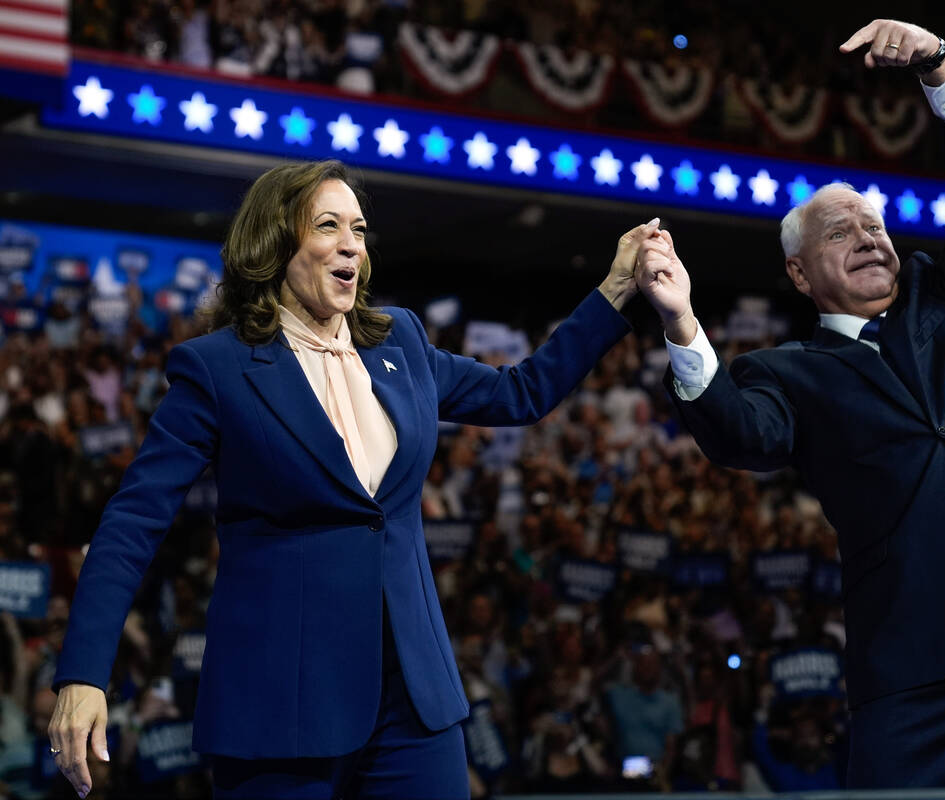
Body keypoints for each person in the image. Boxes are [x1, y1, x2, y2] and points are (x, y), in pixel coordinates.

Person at [47, 159, 661, 799]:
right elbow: (133, 522)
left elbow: (522, 393)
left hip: (414, 702)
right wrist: (85, 672)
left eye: (359, 229)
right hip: (283, 707)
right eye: (328, 226)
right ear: (276, 243)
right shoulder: (217, 368)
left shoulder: (401, 341)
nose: (351, 244)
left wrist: (616, 289)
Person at [635, 19, 945, 792]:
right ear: (800, 276)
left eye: (874, 225)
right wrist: (681, 323)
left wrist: (938, 67)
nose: (870, 237)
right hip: (916, 651)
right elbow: (739, 435)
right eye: (843, 231)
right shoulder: (786, 372)